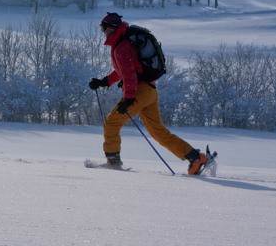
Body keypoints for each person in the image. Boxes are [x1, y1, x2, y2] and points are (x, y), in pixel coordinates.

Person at [88, 12, 208, 174]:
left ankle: (113, 162)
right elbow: (122, 71)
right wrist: (104, 81)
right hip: (150, 91)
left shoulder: (121, 46)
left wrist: (128, 99)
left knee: (111, 123)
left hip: (139, 92)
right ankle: (195, 157)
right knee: (158, 132)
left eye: (103, 28)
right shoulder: (124, 43)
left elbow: (129, 75)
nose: (103, 31)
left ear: (111, 28)